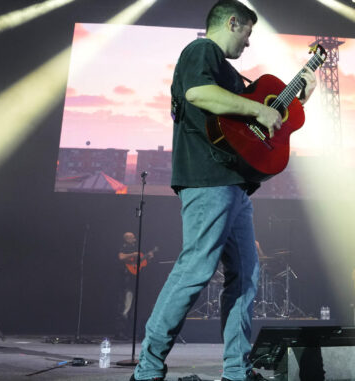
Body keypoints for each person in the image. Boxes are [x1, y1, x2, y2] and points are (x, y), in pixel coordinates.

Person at [131, 1, 316, 380]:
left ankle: (236, 369)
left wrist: (299, 97)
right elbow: (198, 94)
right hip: (208, 178)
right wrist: (258, 112)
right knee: (195, 268)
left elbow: (265, 116)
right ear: (233, 22)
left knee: (246, 275)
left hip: (234, 184)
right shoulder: (201, 51)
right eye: (247, 32)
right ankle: (148, 369)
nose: (248, 43)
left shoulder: (230, 73)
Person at [116, 232, 156, 340]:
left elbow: (142, 263)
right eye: (132, 237)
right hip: (127, 281)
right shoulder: (123, 247)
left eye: (134, 237)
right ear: (126, 239)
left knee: (138, 307)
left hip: (137, 282)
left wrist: (149, 258)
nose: (134, 239)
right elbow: (121, 257)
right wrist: (133, 255)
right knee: (125, 307)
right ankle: (120, 332)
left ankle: (135, 332)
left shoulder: (137, 247)